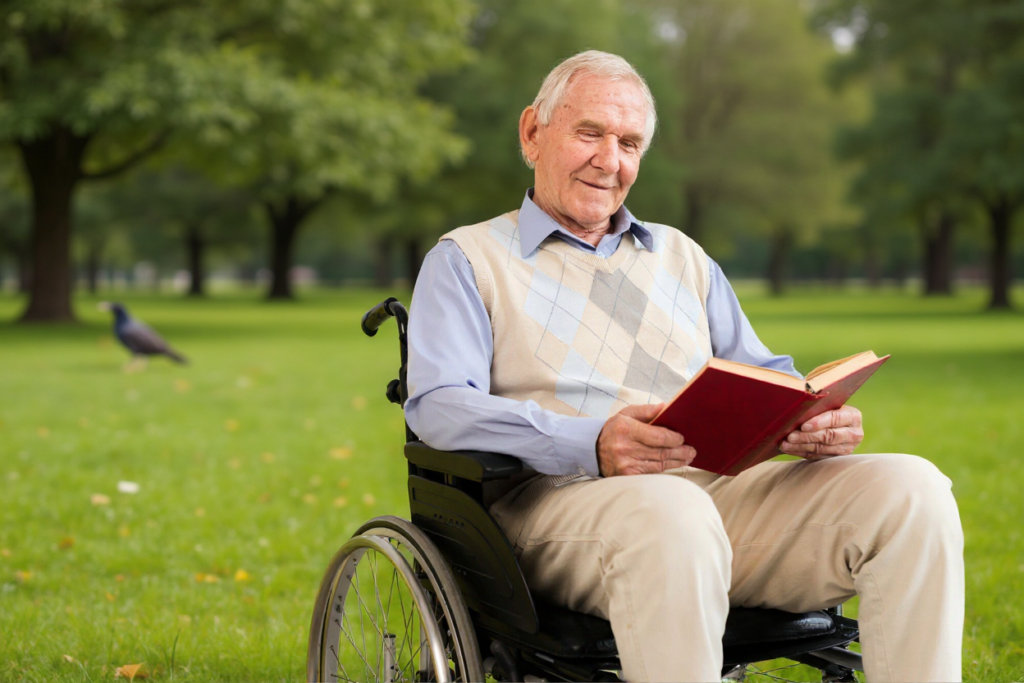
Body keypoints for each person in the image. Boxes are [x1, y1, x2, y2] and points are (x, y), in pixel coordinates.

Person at [405, 50, 964, 682]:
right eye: (590, 133)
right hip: (554, 508)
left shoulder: (683, 256)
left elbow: (764, 372)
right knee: (671, 513)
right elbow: (438, 405)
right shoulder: (467, 258)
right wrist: (591, 441)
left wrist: (812, 416)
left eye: (629, 143)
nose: (609, 160)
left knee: (912, 490)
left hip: (713, 497)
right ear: (533, 133)